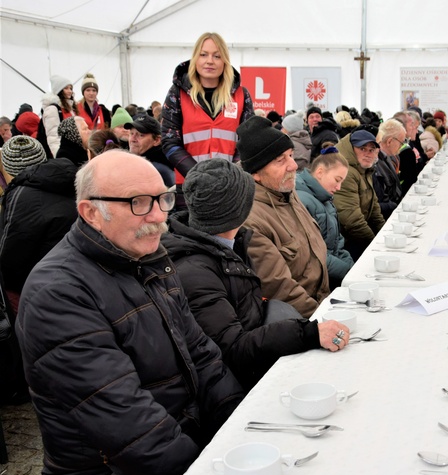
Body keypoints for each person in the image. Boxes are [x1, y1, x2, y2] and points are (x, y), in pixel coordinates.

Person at [16, 150, 243, 475]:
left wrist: (240, 430)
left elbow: (202, 355)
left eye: (163, 198)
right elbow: (124, 418)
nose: (157, 216)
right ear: (91, 213)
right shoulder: (58, 293)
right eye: (138, 203)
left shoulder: (148, 256)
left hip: (174, 449)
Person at [163, 159, 350, 392]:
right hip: (239, 384)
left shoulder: (231, 244)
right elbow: (233, 349)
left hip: (257, 355)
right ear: (240, 209)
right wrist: (307, 333)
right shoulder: (196, 271)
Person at [237, 116, 330, 318]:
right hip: (300, 320)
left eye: (291, 155)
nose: (293, 165)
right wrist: (322, 318)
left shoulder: (284, 190)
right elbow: (279, 288)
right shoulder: (250, 220)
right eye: (281, 160)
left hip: (322, 303)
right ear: (255, 173)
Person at [161, 32, 253, 198]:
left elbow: (247, 142)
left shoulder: (241, 95)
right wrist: (199, 176)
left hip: (230, 187)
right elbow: (169, 143)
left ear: (224, 61)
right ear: (196, 58)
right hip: (189, 185)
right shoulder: (177, 93)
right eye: (203, 55)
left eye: (217, 56)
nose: (210, 61)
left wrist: (231, 175)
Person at [0, 136, 78, 314]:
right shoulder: (72, 176)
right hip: (79, 273)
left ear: (8, 168)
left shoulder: (22, 195)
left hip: (44, 285)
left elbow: (11, 257)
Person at [296, 149, 354, 289]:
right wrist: (348, 272)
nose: (339, 187)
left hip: (330, 273)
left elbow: (337, 241)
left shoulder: (325, 199)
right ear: (320, 172)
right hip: (316, 282)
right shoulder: (302, 200)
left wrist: (351, 266)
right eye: (337, 180)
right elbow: (313, 254)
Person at [334, 129, 386, 260]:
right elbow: (351, 220)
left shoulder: (363, 170)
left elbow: (374, 209)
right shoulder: (346, 172)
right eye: (362, 149)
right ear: (351, 149)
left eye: (371, 150)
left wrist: (385, 237)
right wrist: (375, 245)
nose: (368, 154)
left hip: (357, 235)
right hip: (344, 241)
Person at [126, 114, 175, 186]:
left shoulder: (157, 169)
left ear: (157, 140)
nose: (132, 139)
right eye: (131, 133)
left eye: (140, 135)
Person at [38, 75, 77, 158]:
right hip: (62, 154)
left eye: (70, 88)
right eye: (66, 88)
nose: (70, 91)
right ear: (59, 90)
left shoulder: (69, 108)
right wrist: (59, 156)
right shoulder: (52, 109)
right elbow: (53, 136)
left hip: (71, 151)